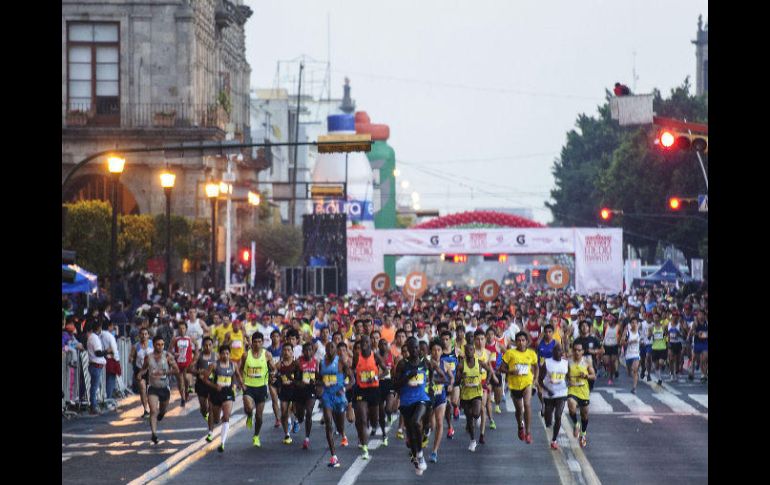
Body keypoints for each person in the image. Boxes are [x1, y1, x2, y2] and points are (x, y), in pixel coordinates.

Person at [393, 337, 445, 475]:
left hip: (422, 398)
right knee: (410, 433)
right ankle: (417, 457)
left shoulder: (425, 362)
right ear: (408, 350)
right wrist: (408, 377)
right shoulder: (402, 365)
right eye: (412, 348)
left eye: (417, 347)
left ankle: (421, 454)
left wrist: (431, 385)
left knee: (416, 422)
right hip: (406, 402)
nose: (415, 350)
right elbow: (395, 384)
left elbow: (432, 375)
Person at [136, 335, 180, 444]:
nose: (160, 347)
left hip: (164, 388)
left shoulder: (168, 356)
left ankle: (161, 414)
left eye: (162, 345)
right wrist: (140, 374)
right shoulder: (148, 357)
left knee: (162, 411)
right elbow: (144, 369)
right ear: (154, 345)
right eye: (157, 344)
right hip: (152, 388)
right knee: (153, 411)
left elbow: (176, 370)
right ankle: (154, 434)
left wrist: (165, 372)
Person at [317, 341, 354, 468]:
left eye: (332, 347)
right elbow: (318, 379)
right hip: (327, 396)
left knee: (339, 426)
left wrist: (344, 388)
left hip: (339, 396)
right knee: (328, 423)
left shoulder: (341, 362)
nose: (330, 349)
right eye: (328, 347)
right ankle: (334, 456)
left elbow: (352, 379)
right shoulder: (321, 363)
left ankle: (342, 433)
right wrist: (319, 386)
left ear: (336, 350)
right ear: (326, 350)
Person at [456, 338, 495, 453]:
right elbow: (457, 380)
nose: (469, 352)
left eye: (471, 350)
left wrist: (487, 382)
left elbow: (490, 371)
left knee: (476, 413)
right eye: (467, 350)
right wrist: (461, 377)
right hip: (465, 394)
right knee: (469, 418)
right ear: (465, 351)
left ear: (474, 351)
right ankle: (473, 440)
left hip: (477, 392)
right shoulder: (461, 365)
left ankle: (476, 418)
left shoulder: (479, 362)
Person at [203, 344, 244, 452]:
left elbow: (238, 376)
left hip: (228, 392)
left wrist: (243, 386)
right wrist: (215, 386)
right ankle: (213, 426)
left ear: (229, 354)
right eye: (223, 353)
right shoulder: (214, 365)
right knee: (217, 419)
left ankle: (222, 443)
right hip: (216, 392)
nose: (225, 355)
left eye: (227, 353)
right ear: (219, 354)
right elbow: (205, 379)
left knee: (226, 417)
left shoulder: (233, 365)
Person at [500, 331, 538, 444]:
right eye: (519, 340)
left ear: (527, 342)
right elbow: (501, 368)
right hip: (514, 384)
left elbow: (536, 366)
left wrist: (535, 379)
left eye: (523, 340)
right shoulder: (510, 353)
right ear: (515, 342)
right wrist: (510, 371)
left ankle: (528, 432)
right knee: (519, 410)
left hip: (527, 382)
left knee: (527, 405)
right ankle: (520, 426)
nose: (521, 343)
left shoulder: (531, 353)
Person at [352, 334, 386, 460]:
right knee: (362, 418)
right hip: (361, 390)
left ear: (370, 344)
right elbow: (351, 369)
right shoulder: (357, 357)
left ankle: (374, 426)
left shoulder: (375, 356)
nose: (364, 345)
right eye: (362, 343)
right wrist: (351, 376)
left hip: (374, 390)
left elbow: (386, 371)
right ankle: (365, 448)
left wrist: (376, 377)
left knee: (374, 420)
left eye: (367, 342)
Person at [241, 332, 275, 448]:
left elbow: (273, 369)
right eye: (255, 341)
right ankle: (249, 415)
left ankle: (256, 436)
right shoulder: (246, 355)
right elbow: (240, 370)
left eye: (259, 341)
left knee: (259, 417)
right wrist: (242, 384)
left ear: (262, 342)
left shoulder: (267, 355)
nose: (257, 344)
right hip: (248, 387)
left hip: (261, 387)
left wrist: (272, 374)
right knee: (249, 408)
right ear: (252, 342)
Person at [538, 344, 568, 450]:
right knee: (548, 421)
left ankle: (554, 440)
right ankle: (545, 410)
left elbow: (568, 378)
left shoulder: (565, 363)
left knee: (558, 415)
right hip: (549, 394)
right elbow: (539, 380)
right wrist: (547, 390)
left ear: (562, 352)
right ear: (553, 352)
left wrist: (568, 385)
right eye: (556, 350)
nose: (558, 352)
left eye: (560, 351)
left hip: (562, 393)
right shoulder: (547, 363)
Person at [428, 339, 453, 463]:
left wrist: (450, 385)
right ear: (430, 351)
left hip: (440, 396)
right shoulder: (427, 363)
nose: (436, 352)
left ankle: (434, 451)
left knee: (439, 422)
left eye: (438, 350)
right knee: (431, 425)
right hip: (428, 397)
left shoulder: (445, 364)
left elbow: (451, 378)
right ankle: (425, 432)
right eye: (434, 350)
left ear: (442, 351)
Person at [567, 342, 595, 448]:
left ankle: (583, 434)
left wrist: (586, 375)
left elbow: (593, 376)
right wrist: (568, 380)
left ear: (583, 351)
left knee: (584, 415)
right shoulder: (569, 362)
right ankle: (575, 423)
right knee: (571, 403)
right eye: (575, 350)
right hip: (573, 389)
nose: (577, 352)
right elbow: (565, 374)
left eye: (579, 350)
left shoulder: (587, 362)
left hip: (583, 391)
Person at [295, 342, 318, 449]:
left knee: (309, 412)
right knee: (300, 417)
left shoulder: (316, 362)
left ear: (313, 351)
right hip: (300, 391)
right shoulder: (298, 362)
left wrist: (315, 381)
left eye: (310, 350)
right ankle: (297, 420)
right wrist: (300, 383)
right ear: (303, 351)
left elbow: (319, 377)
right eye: (306, 350)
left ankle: (307, 439)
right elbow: (294, 379)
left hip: (311, 391)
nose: (308, 352)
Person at [170, 320, 196, 407]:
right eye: (180, 328)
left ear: (186, 329)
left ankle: (186, 393)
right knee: (180, 382)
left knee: (187, 380)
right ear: (178, 329)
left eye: (183, 328)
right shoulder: (175, 339)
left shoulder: (190, 338)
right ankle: (183, 398)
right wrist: (174, 354)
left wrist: (194, 359)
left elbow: (197, 348)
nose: (182, 330)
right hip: (178, 363)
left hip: (187, 363)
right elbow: (169, 351)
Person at [376, 336, 397, 447]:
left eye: (385, 344)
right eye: (381, 344)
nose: (384, 346)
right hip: (378, 384)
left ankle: (389, 414)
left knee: (388, 408)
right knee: (380, 412)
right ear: (378, 346)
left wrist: (395, 382)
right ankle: (384, 434)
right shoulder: (375, 357)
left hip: (389, 383)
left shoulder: (391, 356)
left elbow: (393, 371)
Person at [439, 330, 459, 439]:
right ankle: (450, 427)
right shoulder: (439, 352)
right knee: (447, 406)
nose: (445, 342)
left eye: (447, 339)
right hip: (443, 383)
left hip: (454, 381)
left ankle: (457, 407)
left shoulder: (456, 351)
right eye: (443, 339)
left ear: (450, 340)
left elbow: (464, 361)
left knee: (453, 402)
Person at [193, 336, 217, 424]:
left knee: (211, 406)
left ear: (212, 345)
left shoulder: (216, 356)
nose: (208, 347)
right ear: (203, 346)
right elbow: (190, 369)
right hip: (201, 384)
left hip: (212, 383)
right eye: (206, 345)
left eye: (210, 345)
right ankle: (204, 413)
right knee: (204, 407)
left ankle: (211, 423)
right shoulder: (198, 355)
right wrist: (199, 371)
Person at [130, 327, 153, 418]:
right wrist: (131, 358)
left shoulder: (153, 344)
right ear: (139, 336)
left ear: (148, 335)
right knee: (143, 389)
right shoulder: (136, 346)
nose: (144, 336)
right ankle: (146, 410)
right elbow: (131, 356)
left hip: (151, 370)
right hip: (140, 370)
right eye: (142, 334)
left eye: (145, 334)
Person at [86, 320, 107, 415]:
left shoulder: (93, 337)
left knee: (94, 386)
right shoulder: (94, 338)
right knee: (94, 387)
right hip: (95, 365)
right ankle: (93, 407)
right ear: (98, 328)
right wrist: (107, 351)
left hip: (95, 365)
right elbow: (98, 353)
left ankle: (94, 406)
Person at [620, 317, 641, 394]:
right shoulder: (627, 332)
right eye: (632, 323)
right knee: (629, 371)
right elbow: (621, 342)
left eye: (635, 323)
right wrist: (630, 341)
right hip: (628, 354)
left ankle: (634, 388)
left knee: (635, 370)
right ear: (630, 324)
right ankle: (629, 371)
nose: (634, 324)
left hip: (636, 354)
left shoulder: (639, 332)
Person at [101, 320, 121, 401]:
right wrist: (117, 360)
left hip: (102, 358)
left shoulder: (100, 335)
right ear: (109, 326)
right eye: (112, 326)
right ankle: (109, 397)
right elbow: (114, 349)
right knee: (111, 379)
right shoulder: (110, 336)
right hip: (111, 359)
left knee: (105, 379)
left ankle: (105, 397)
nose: (113, 328)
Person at [689, 309, 708, 382]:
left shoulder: (706, 322)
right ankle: (692, 372)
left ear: (704, 315)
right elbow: (692, 332)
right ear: (697, 315)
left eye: (702, 314)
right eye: (699, 314)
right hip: (697, 343)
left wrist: (705, 334)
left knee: (705, 359)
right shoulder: (695, 323)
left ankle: (703, 375)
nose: (701, 316)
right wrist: (697, 333)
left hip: (705, 343)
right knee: (694, 359)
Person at [649, 314, 668, 386]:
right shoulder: (651, 327)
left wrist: (667, 342)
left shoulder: (663, 327)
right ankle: (659, 379)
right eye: (654, 317)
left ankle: (663, 364)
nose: (655, 319)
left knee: (660, 363)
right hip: (654, 347)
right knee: (656, 366)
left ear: (659, 318)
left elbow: (666, 335)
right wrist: (650, 335)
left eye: (657, 317)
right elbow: (648, 336)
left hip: (662, 347)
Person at [601, 315, 620, 385]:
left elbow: (620, 335)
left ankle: (611, 377)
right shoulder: (605, 325)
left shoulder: (618, 326)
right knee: (607, 362)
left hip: (614, 346)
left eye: (610, 320)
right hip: (606, 345)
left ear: (613, 320)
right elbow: (603, 334)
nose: (609, 321)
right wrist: (602, 343)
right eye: (608, 320)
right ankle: (613, 371)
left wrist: (620, 346)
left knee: (612, 362)